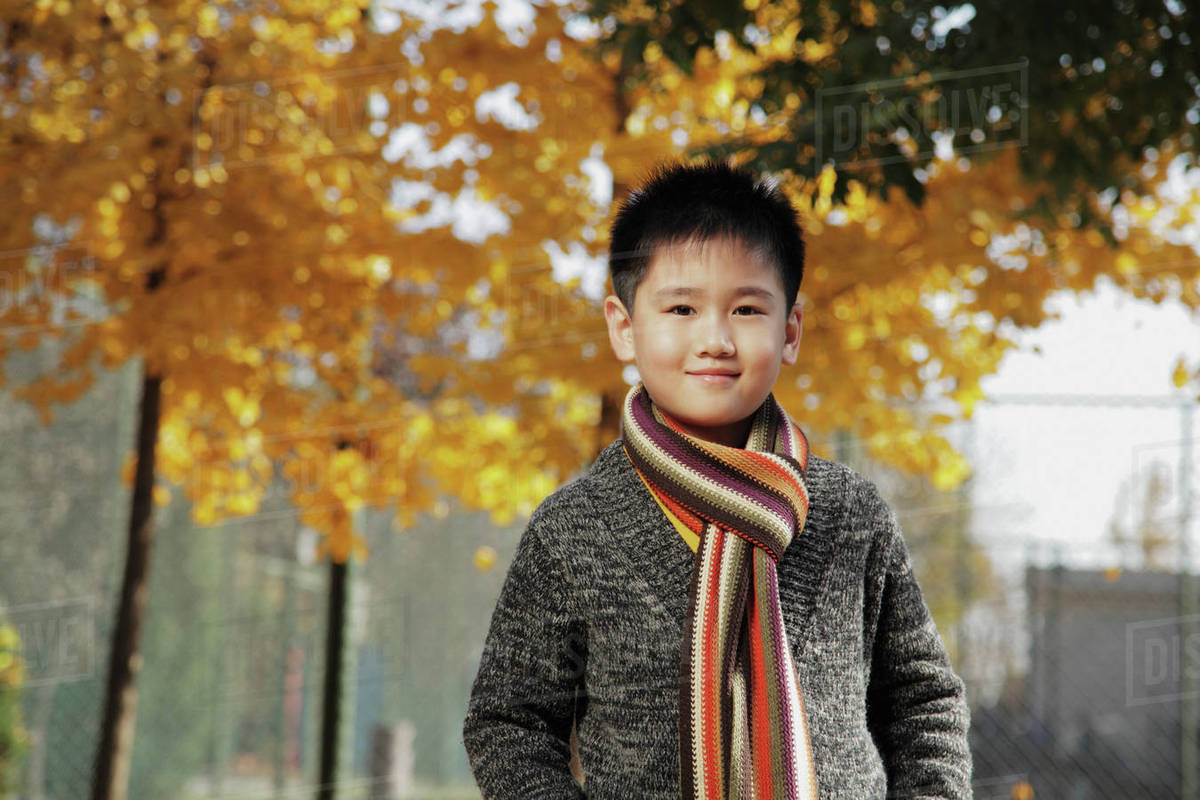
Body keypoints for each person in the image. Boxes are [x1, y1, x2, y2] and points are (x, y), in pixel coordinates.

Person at [462, 161, 973, 799]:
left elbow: (923, 702)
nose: (715, 339)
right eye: (681, 307)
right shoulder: (575, 527)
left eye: (747, 309)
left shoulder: (849, 511)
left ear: (790, 332)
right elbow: (509, 722)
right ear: (624, 328)